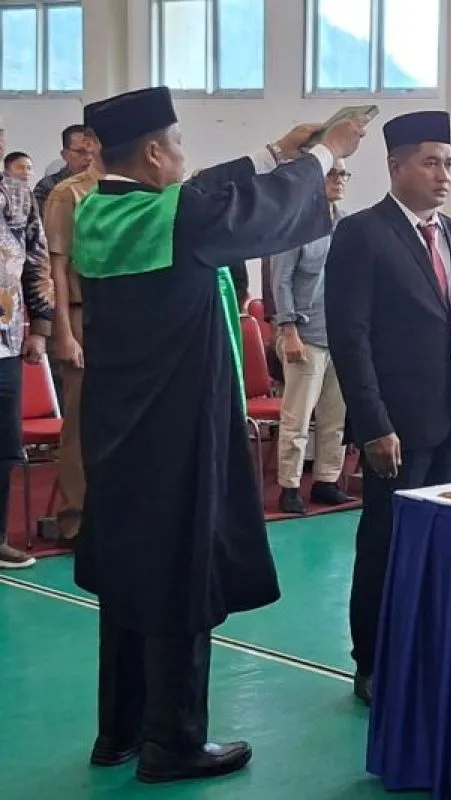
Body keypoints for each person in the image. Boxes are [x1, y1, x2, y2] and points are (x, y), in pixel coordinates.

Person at [70, 85, 364, 783]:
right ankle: (173, 743)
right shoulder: (177, 220)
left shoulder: (101, 211)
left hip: (118, 432)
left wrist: (275, 151)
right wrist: (324, 154)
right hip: (178, 434)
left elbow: (202, 192)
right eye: (176, 144)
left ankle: (120, 731)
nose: (183, 156)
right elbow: (256, 211)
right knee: (181, 579)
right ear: (152, 153)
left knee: (129, 579)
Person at [325, 110, 451, 706]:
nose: (443, 174)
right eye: (430, 162)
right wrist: (373, 424)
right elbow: (351, 338)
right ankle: (372, 661)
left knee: (442, 547)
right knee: (385, 545)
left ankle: (428, 650)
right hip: (396, 428)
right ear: (395, 166)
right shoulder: (363, 234)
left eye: (448, 163)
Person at [270, 160, 353, 514]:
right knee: (298, 418)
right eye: (332, 173)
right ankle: (289, 486)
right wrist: (288, 331)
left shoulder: (347, 225)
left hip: (340, 335)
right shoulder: (294, 225)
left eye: (343, 174)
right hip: (304, 336)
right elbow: (280, 282)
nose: (339, 180)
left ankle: (326, 481)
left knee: (335, 417)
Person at [41, 151, 105, 547]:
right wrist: (63, 332)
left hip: (125, 315)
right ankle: (75, 518)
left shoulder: (137, 191)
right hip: (82, 313)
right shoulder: (69, 194)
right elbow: (57, 270)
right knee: (81, 421)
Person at [0, 171, 55, 569]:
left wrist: (40, 328)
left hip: (6, 343)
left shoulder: (17, 193)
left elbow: (37, 261)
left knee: (4, 448)